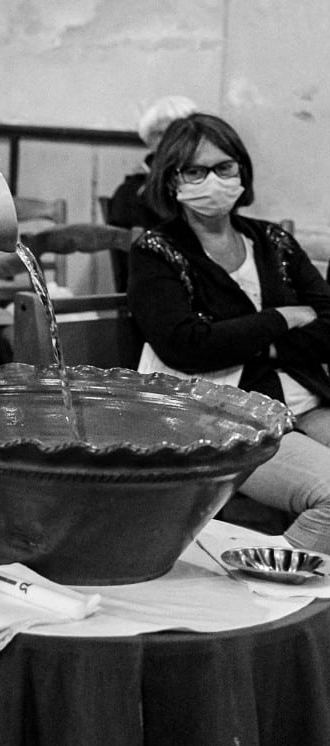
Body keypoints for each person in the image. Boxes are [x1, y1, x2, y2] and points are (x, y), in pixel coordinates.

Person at [127, 113, 330, 551]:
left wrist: (253, 345)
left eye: (224, 167)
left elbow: (329, 323)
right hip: (224, 420)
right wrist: (281, 319)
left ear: (241, 170)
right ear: (172, 179)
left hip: (308, 404)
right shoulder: (157, 251)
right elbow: (184, 345)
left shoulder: (273, 241)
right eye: (195, 171)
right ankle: (267, 578)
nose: (213, 181)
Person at [104, 95, 199, 289]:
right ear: (150, 139)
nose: (169, 141)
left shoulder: (203, 183)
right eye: (161, 134)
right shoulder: (134, 191)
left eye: (179, 133)